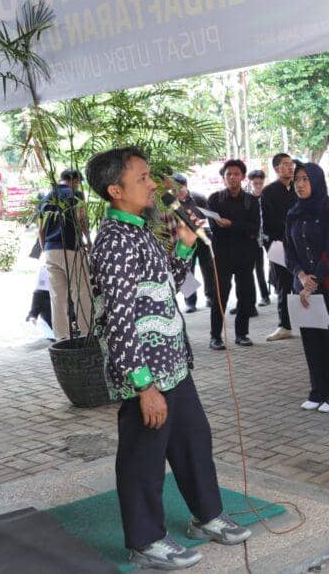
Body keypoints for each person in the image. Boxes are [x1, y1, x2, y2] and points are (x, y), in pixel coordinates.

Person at [86, 147, 249, 570]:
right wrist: (144, 386)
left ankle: (206, 516)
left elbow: (163, 290)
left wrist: (185, 247)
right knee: (144, 457)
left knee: (194, 441)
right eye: (142, 178)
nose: (154, 184)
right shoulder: (113, 242)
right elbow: (120, 319)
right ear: (115, 190)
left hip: (174, 364)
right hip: (145, 374)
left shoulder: (140, 230)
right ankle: (145, 540)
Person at [285, 163, 329, 413]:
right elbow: (289, 250)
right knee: (311, 341)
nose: (300, 184)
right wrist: (301, 276)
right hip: (302, 287)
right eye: (296, 180)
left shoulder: (328, 210)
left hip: (328, 287)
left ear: (316, 181)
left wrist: (315, 279)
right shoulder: (293, 212)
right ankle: (318, 389)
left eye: (305, 179)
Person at [206, 159, 260, 349]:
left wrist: (232, 225)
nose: (232, 177)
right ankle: (215, 337)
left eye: (236, 174)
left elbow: (254, 228)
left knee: (245, 295)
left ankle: (242, 334)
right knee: (219, 296)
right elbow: (214, 227)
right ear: (223, 177)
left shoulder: (251, 201)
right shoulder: (214, 199)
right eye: (228, 174)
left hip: (245, 255)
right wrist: (238, 227)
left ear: (243, 177)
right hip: (222, 255)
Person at [40, 168, 92, 340]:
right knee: (81, 294)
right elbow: (82, 220)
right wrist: (89, 242)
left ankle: (62, 338)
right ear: (75, 180)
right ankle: (86, 335)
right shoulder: (75, 195)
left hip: (50, 250)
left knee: (57, 297)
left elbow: (41, 229)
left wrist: (44, 249)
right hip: (71, 249)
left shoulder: (47, 196)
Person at [260, 154, 297, 342]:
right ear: (276, 168)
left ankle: (307, 321)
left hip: (300, 245)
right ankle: (285, 325)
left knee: (303, 283)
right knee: (283, 285)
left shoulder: (298, 188)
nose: (290, 168)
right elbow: (268, 223)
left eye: (291, 164)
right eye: (285, 165)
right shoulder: (268, 192)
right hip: (280, 246)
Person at [171, 174, 215, 314]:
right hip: (185, 241)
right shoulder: (170, 203)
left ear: (186, 185)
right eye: (174, 189)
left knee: (208, 269)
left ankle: (211, 297)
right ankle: (190, 302)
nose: (177, 192)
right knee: (187, 271)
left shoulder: (199, 198)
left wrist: (203, 223)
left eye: (179, 188)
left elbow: (211, 216)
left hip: (203, 237)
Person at [244, 169, 271, 309]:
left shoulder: (268, 195)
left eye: (260, 183)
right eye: (255, 183)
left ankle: (277, 290)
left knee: (275, 265)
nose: (258, 186)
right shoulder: (246, 198)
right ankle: (264, 296)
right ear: (250, 182)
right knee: (258, 268)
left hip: (269, 236)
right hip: (254, 238)